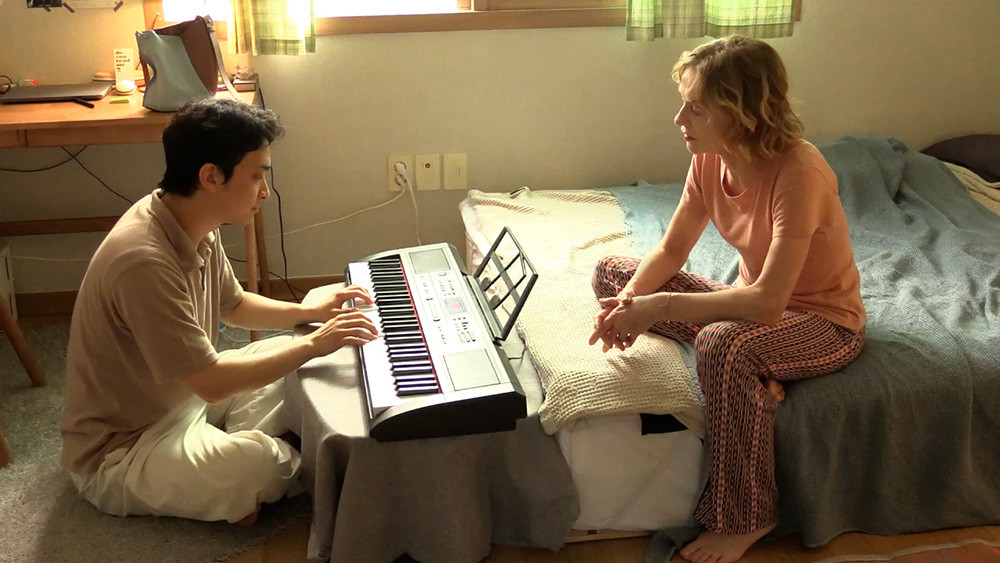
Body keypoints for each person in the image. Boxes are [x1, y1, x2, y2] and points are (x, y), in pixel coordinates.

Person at [589, 36, 866, 563]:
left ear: (742, 112)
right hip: (754, 305)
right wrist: (628, 304)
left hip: (822, 322)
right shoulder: (709, 160)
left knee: (723, 344)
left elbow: (766, 305)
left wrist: (658, 308)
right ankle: (758, 376)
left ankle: (748, 517)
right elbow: (671, 250)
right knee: (612, 273)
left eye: (695, 108)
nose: (679, 120)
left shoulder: (799, 172)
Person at [60, 98, 378, 526]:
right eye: (257, 176)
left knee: (296, 357)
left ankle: (223, 471)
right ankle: (238, 469)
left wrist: (309, 311)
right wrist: (316, 344)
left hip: (185, 398)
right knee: (261, 464)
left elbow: (235, 305)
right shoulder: (143, 260)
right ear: (211, 176)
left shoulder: (188, 220)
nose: (265, 192)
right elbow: (212, 383)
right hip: (124, 447)